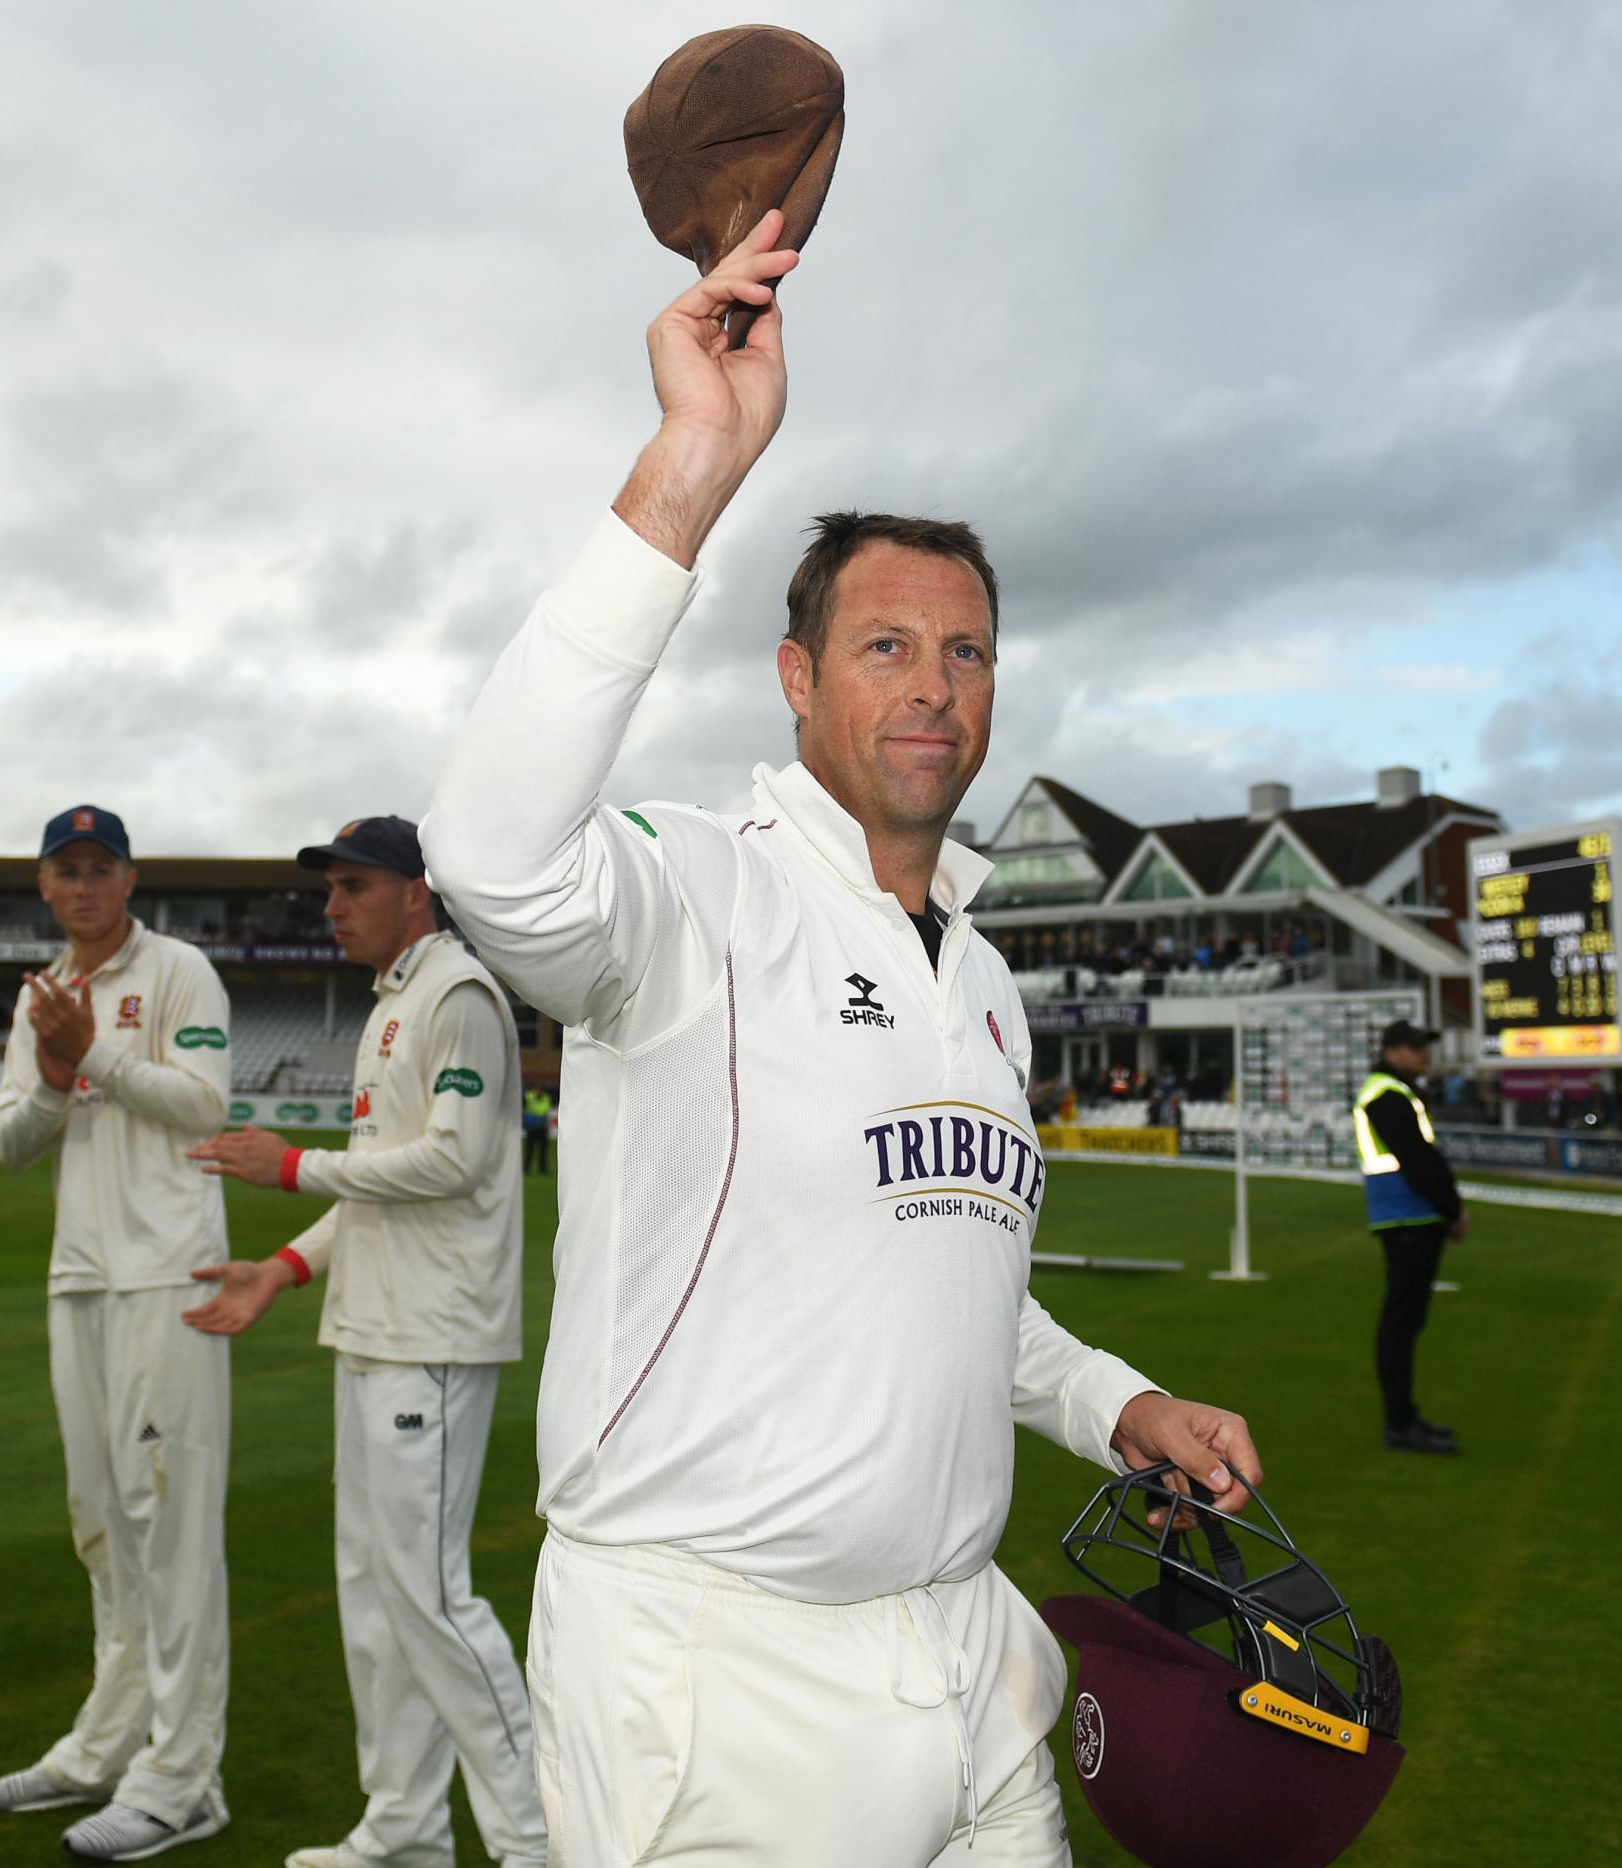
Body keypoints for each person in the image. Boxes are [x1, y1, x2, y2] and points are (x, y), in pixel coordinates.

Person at [421, 212, 1260, 1865]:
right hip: (716, 1675)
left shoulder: (988, 975)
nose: (935, 684)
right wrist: (693, 459)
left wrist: (1118, 1401)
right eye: (886, 645)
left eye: (966, 651)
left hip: (968, 1654)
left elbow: (950, 1278)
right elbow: (492, 856)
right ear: (798, 679)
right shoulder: (692, 890)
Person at [184, 813, 543, 1868]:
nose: (331, 907)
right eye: (329, 889)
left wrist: (291, 1167)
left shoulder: (459, 994)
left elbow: (454, 1159)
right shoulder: (393, 1005)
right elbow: (376, 1189)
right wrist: (283, 1267)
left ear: (414, 892)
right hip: (378, 1328)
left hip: (431, 1335)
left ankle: (535, 1841)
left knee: (429, 1595)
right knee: (377, 1594)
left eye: (351, 886)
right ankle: (403, 1827)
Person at [0, 806, 235, 1863]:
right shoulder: (43, 991)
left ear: (128, 877)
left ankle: (185, 1776)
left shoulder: (178, 970)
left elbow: (205, 1101)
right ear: (45, 885)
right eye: (65, 870)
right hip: (79, 1274)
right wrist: (51, 1069)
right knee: (102, 1522)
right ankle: (107, 1739)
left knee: (167, 1521)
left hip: (169, 1273)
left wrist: (99, 1055)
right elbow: (10, 1142)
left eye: (100, 868)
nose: (83, 886)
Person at [1353, 1019, 1468, 1455]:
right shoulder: (1387, 1092)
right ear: (1392, 1050)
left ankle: (1404, 1417)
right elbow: (1419, 1159)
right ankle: (1399, 1422)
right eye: (1416, 1047)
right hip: (1406, 1217)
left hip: (1405, 1215)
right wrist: (1452, 1209)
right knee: (1401, 1322)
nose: (1425, 1054)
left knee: (1405, 1320)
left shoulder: (1390, 1089)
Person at [520, 1082, 554, 1175]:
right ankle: (526, 1168)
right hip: (532, 1127)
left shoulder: (546, 1098)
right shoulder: (528, 1097)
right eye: (537, 1089)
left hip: (542, 1126)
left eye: (540, 1090)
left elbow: (546, 1110)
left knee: (543, 1150)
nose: (538, 1091)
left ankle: (543, 1168)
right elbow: (522, 1107)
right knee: (530, 1150)